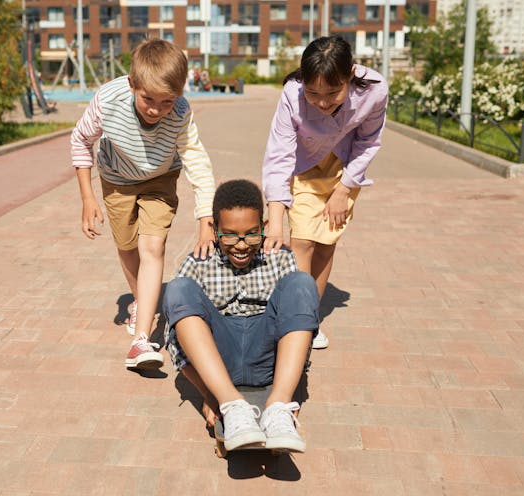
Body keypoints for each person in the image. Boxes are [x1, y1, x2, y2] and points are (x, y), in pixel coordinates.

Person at [71, 39, 216, 370]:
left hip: (160, 178)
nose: (156, 109)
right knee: (126, 246)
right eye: (148, 99)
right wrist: (87, 197)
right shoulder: (109, 100)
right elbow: (80, 139)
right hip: (117, 180)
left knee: (153, 247)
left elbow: (196, 159)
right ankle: (141, 301)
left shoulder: (180, 112)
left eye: (167, 101)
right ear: (132, 83)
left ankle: (141, 339)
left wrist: (205, 219)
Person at [162, 179, 319, 452]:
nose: (242, 245)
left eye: (252, 233)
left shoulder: (280, 258)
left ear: (264, 227)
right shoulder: (198, 262)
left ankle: (278, 407)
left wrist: (291, 393)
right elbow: (175, 341)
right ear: (214, 230)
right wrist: (210, 395)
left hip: (267, 359)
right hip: (220, 361)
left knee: (302, 283)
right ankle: (232, 404)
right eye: (230, 235)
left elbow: (299, 325)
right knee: (178, 289)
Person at [262, 36, 388, 350]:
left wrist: (344, 189)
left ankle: (310, 317)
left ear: (350, 75)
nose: (322, 101)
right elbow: (279, 155)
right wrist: (275, 219)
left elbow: (368, 142)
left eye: (333, 92)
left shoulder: (374, 90)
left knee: (325, 243)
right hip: (303, 168)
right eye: (314, 93)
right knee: (302, 239)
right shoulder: (292, 93)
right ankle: (298, 320)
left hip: (344, 171)